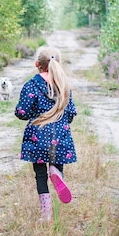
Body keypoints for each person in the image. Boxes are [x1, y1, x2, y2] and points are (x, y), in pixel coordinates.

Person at [14, 46, 77, 222]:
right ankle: (57, 172)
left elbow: (22, 112)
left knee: (40, 175)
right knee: (56, 165)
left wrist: (26, 114)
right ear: (58, 64)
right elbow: (71, 113)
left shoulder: (32, 85)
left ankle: (46, 214)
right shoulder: (64, 85)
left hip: (38, 137)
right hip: (60, 136)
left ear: (37, 65)